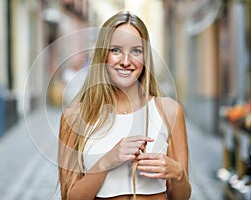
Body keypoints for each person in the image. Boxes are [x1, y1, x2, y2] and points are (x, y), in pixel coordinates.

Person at [58, 11, 191, 200]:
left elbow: (182, 197)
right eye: (116, 50)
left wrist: (178, 173)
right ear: (103, 54)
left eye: (136, 51)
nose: (126, 61)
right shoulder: (75, 116)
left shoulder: (169, 111)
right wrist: (107, 161)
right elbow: (70, 197)